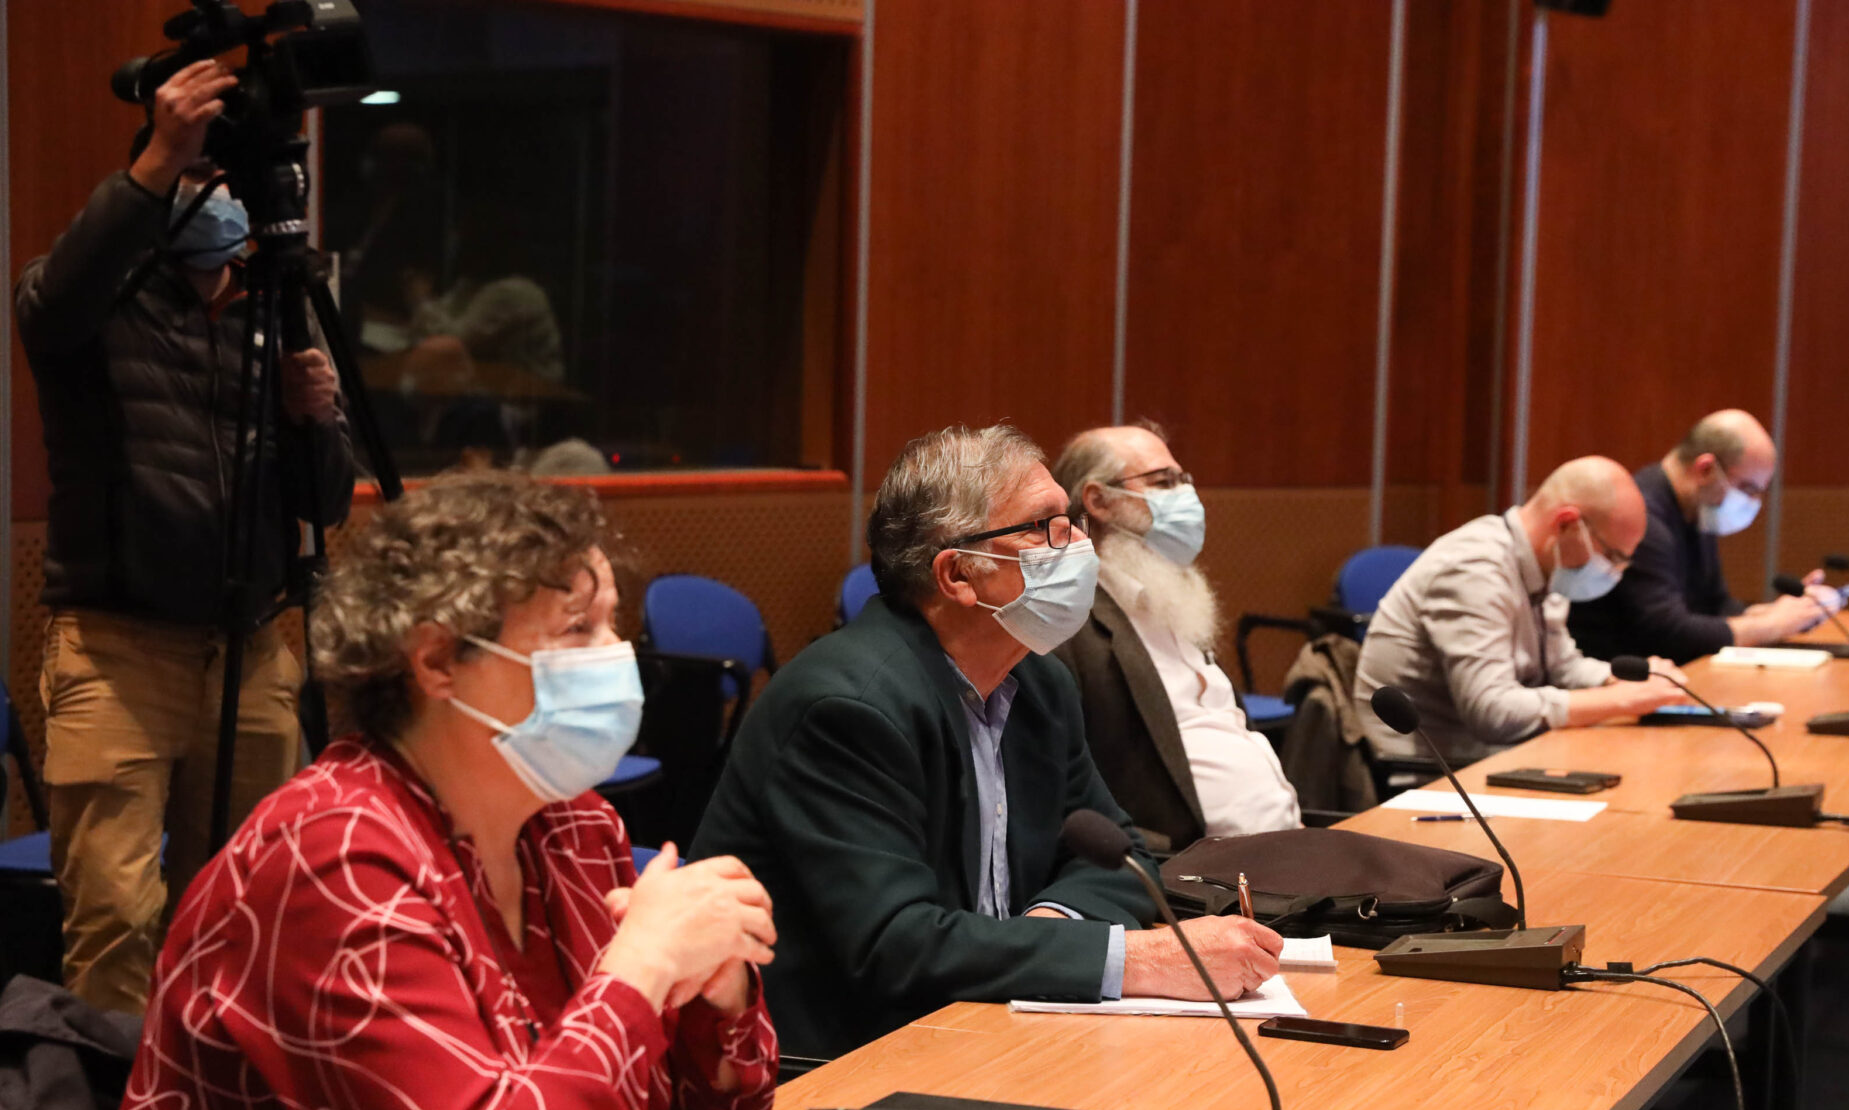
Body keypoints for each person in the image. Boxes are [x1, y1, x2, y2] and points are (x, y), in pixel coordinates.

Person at [65, 472, 779, 1110]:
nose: (614, 657)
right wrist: (644, 966)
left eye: (612, 624)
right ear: (437, 661)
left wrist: (714, 997)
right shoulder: (333, 856)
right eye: (576, 631)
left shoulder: (572, 825)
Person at [691, 425, 1283, 1060]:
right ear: (958, 575)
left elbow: (1121, 858)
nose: (1079, 545)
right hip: (838, 1063)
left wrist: (1049, 935)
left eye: (1072, 521)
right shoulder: (847, 709)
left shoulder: (1040, 684)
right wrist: (1135, 959)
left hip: (986, 1028)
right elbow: (896, 946)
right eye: (1045, 527)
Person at [16, 60, 360, 1012]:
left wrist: (315, 418)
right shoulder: (96, 305)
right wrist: (165, 152)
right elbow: (55, 298)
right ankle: (116, 1106)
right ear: (162, 188)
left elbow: (326, 501)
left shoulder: (274, 312)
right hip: (118, 650)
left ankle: (217, 1094)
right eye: (200, 176)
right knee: (118, 917)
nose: (222, 197)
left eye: (227, 179)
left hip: (250, 650)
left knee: (247, 908)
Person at [1050, 422, 1300, 850]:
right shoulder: (1070, 625)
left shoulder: (1177, 599)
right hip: (1193, 869)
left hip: (1288, 845)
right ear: (1099, 501)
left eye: (1184, 480)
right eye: (1164, 482)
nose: (1187, 495)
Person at [1355, 456, 1688, 764]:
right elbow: (1492, 712)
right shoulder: (1475, 569)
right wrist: (1621, 700)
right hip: (1434, 773)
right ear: (1567, 523)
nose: (1616, 571)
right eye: (1613, 556)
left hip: (1496, 756)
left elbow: (1562, 667)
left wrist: (1623, 680)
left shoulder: (1549, 565)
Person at [1569, 410, 1839, 663]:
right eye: (1747, 489)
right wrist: (1772, 626)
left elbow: (1714, 606)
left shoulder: (1696, 511)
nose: (1754, 502)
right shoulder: (1642, 518)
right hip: (1619, 676)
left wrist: (1781, 613)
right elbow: (1669, 633)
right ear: (1706, 469)